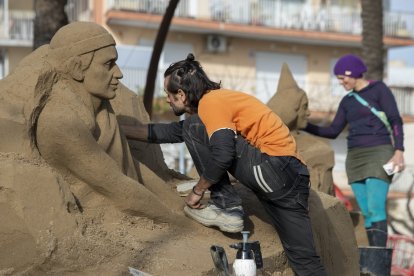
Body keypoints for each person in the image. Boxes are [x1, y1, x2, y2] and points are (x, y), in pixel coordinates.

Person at [123, 53, 327, 275]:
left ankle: (226, 207)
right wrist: (120, 130)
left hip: (272, 167)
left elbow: (223, 154)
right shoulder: (218, 103)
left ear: (181, 94)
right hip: (293, 177)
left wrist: (198, 190)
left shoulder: (212, 102)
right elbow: (172, 132)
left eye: (168, 95)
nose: (167, 100)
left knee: (193, 128)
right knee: (303, 258)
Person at [32, 22, 178, 222]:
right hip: (97, 226)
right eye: (108, 64)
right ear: (77, 69)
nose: (119, 73)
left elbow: (133, 167)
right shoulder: (60, 122)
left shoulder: (102, 110)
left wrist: (179, 206)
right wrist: (182, 223)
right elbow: (119, 187)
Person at [304, 54, 405, 247]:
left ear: (353, 73)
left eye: (343, 78)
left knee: (376, 208)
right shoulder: (347, 101)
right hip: (355, 157)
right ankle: (371, 260)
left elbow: (395, 119)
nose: (341, 82)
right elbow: (333, 131)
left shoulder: (379, 90)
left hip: (379, 153)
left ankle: (379, 259)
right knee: (366, 211)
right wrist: (303, 125)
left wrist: (399, 149)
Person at [267, 63, 335, 195]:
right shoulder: (260, 146)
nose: (308, 113)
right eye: (304, 107)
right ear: (290, 110)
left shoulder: (319, 149)